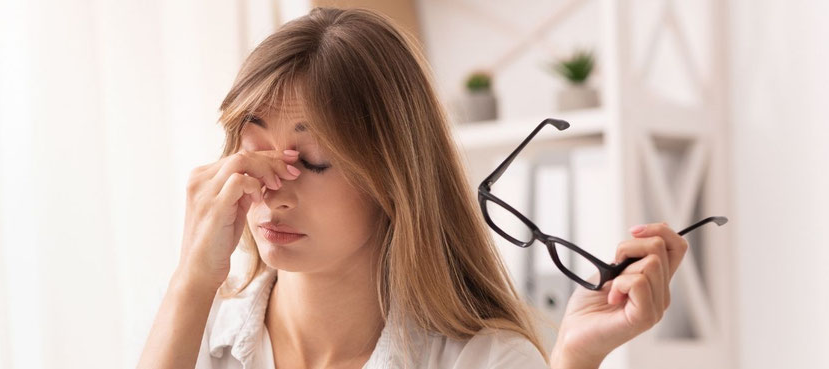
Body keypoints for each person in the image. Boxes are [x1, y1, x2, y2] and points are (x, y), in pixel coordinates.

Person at [139, 7, 687, 369]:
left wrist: (573, 359)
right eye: (254, 155)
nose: (272, 192)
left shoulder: (483, 359)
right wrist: (190, 282)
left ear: (394, 178)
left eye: (312, 161)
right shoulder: (196, 335)